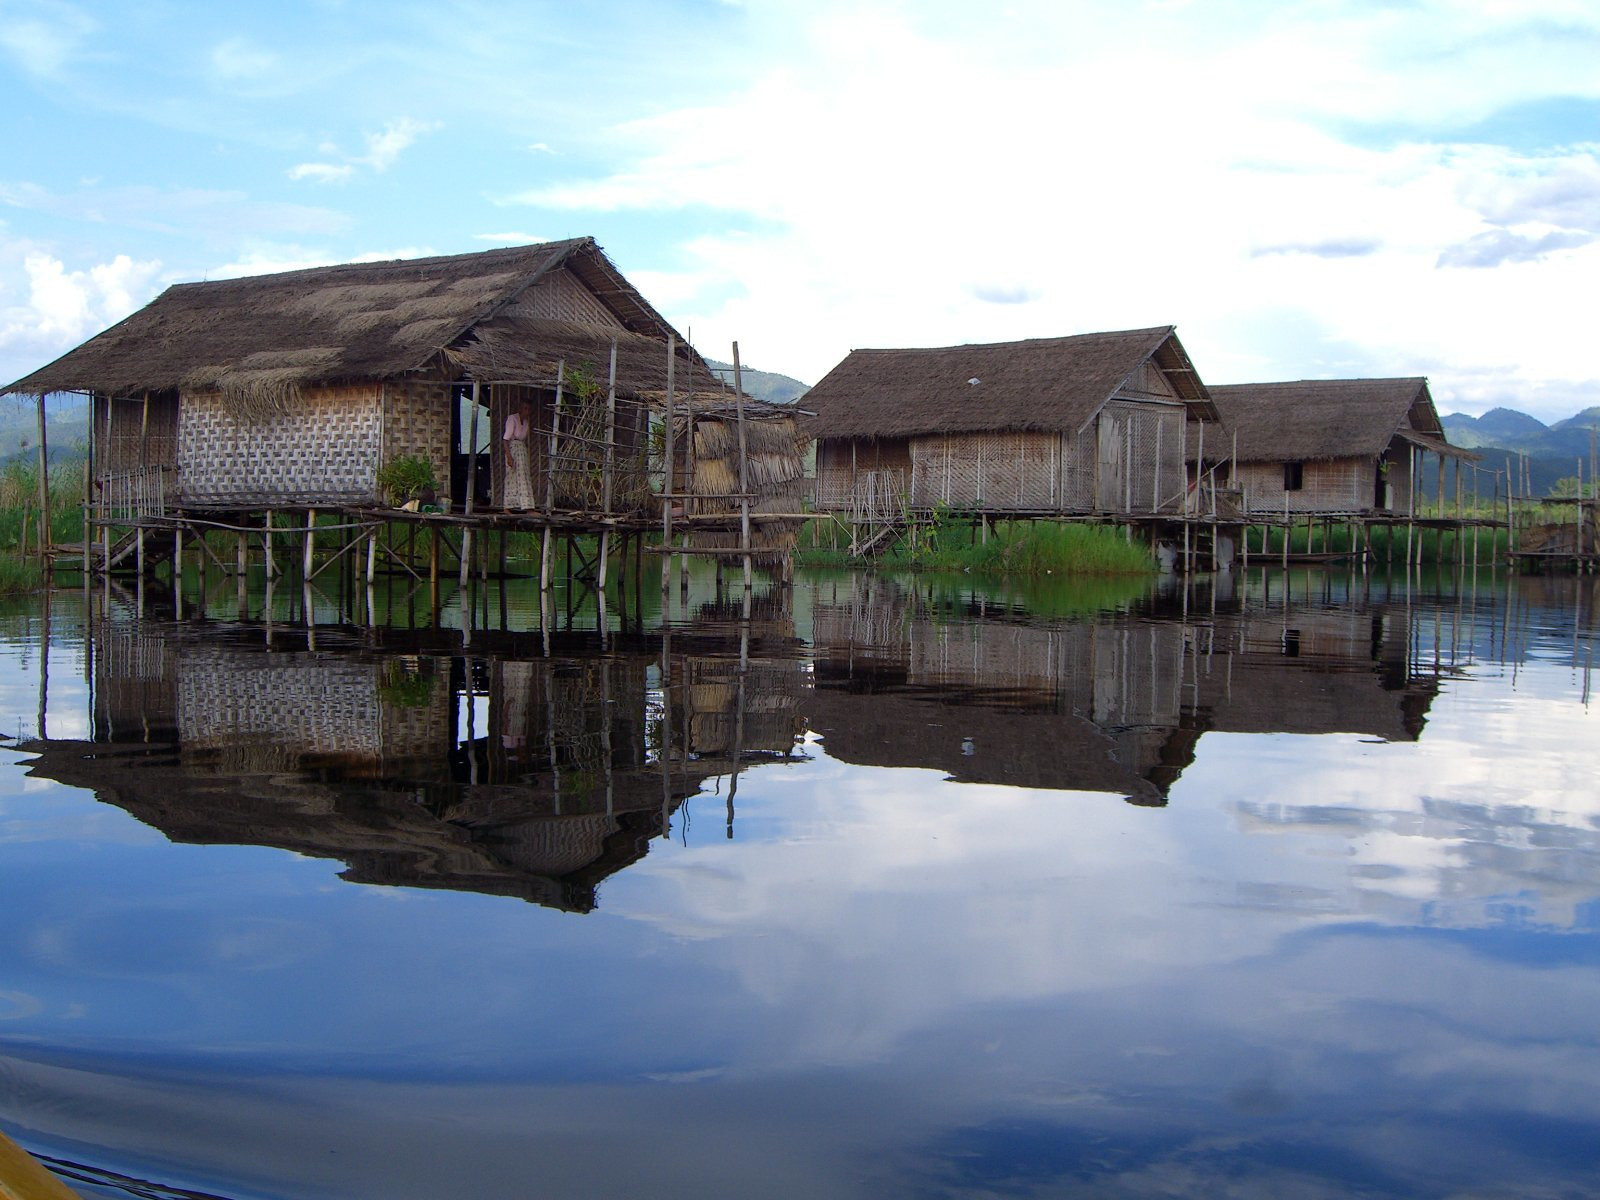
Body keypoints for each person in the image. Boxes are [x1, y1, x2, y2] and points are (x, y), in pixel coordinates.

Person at [503, 397, 535, 510]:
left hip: (521, 450)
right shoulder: (512, 419)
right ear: (520, 409)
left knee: (523, 477)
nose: (527, 411)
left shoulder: (526, 422)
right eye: (525, 408)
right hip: (513, 450)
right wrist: (509, 457)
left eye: (529, 409)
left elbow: (522, 439)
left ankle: (526, 506)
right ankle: (507, 507)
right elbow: (506, 439)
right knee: (511, 477)